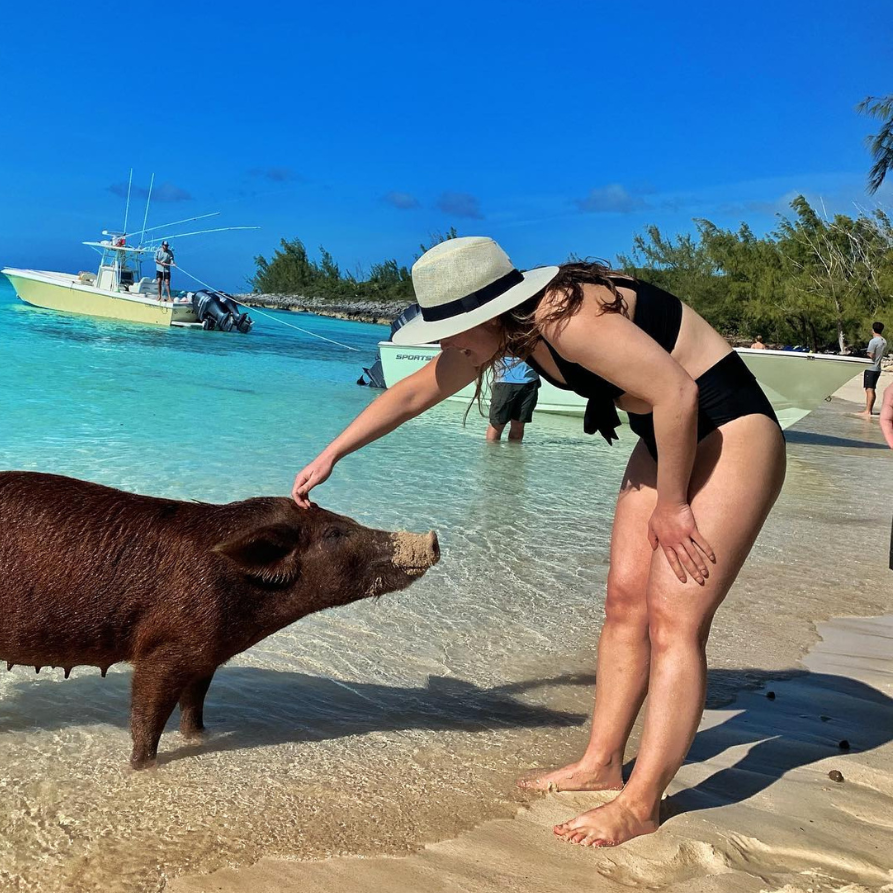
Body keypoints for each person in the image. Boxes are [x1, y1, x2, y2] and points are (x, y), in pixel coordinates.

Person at [292, 237, 785, 848]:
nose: (448, 348)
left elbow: (679, 392)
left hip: (729, 430)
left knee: (674, 620)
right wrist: (332, 454)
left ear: (488, 313)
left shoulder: (567, 318)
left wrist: (673, 504)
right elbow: (416, 391)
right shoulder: (510, 332)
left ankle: (641, 804)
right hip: (665, 434)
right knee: (623, 605)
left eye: (451, 334)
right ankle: (601, 763)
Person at [486, 356, 540, 442]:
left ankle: (514, 451)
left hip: (530, 382)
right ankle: (491, 450)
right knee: (497, 424)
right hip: (504, 381)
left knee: (519, 425)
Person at [859, 322, 887, 417]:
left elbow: (870, 354)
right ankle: (869, 409)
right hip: (878, 368)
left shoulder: (873, 341)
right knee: (872, 389)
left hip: (871, 368)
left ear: (873, 330)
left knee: (869, 389)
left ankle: (868, 411)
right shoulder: (883, 341)